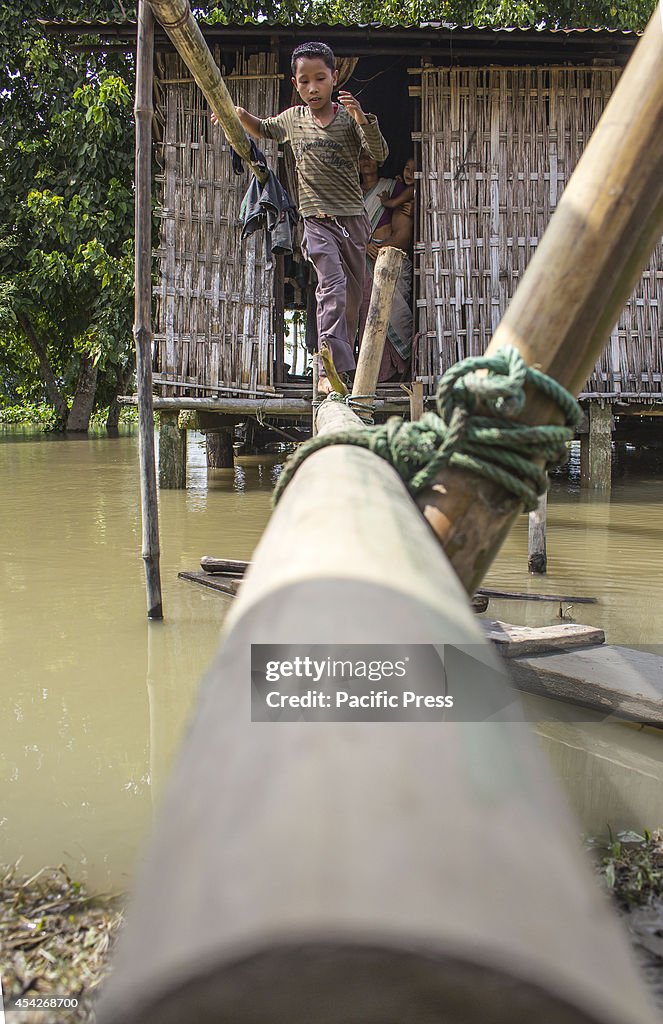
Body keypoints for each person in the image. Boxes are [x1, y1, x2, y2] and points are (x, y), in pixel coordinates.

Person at [216, 41, 388, 395]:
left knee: (353, 301)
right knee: (332, 287)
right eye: (305, 80)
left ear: (334, 78)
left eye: (320, 79)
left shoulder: (347, 120)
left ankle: (345, 365)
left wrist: (362, 119)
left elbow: (379, 152)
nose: (313, 87)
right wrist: (237, 115)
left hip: (353, 222)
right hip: (317, 222)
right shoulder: (293, 119)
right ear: (296, 84)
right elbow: (264, 129)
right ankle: (327, 370)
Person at [359, 154, 414, 382]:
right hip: (361, 261)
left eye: (371, 157)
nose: (366, 161)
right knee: (365, 315)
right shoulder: (349, 194)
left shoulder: (393, 189)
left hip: (389, 260)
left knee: (393, 311)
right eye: (362, 157)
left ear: (380, 161)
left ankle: (395, 371)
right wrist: (362, 246)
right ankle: (371, 374)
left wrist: (382, 252)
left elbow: (403, 233)